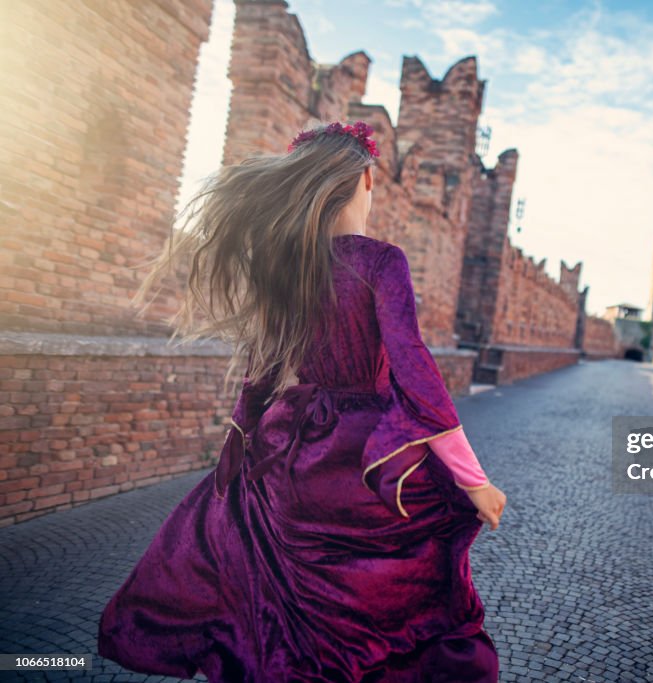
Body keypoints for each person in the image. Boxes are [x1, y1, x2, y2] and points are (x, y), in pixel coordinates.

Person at [96, 120, 506, 682]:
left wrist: (237, 448)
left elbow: (260, 373)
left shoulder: (285, 265)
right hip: (362, 457)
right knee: (403, 600)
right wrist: (472, 477)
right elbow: (416, 371)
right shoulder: (380, 261)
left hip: (291, 452)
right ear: (366, 179)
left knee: (290, 609)